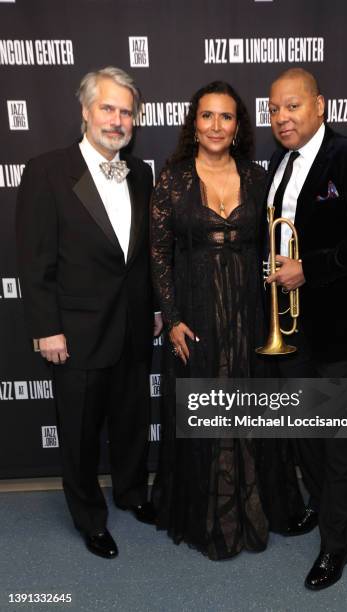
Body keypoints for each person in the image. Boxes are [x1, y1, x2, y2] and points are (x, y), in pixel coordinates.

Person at [150, 80, 305, 560]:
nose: (216, 126)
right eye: (207, 116)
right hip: (195, 313)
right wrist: (172, 318)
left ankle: (260, 506)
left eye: (227, 117)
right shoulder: (172, 179)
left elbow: (274, 243)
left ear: (238, 126)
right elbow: (159, 254)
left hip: (250, 312)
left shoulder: (259, 179)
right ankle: (205, 514)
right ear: (193, 124)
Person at [16, 66, 162, 559]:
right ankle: (89, 517)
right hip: (74, 333)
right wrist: (47, 329)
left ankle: (132, 493)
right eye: (108, 108)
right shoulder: (47, 170)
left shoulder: (141, 173)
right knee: (79, 434)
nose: (117, 120)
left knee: (131, 421)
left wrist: (156, 309)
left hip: (134, 327)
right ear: (85, 112)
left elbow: (143, 256)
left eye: (126, 111)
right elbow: (34, 260)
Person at [264, 68, 347, 589]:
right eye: (274, 109)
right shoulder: (279, 163)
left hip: (340, 329)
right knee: (305, 433)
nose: (282, 117)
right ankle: (321, 506)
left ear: (320, 105)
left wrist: (309, 268)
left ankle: (334, 548)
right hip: (293, 327)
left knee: (339, 440)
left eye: (292, 106)